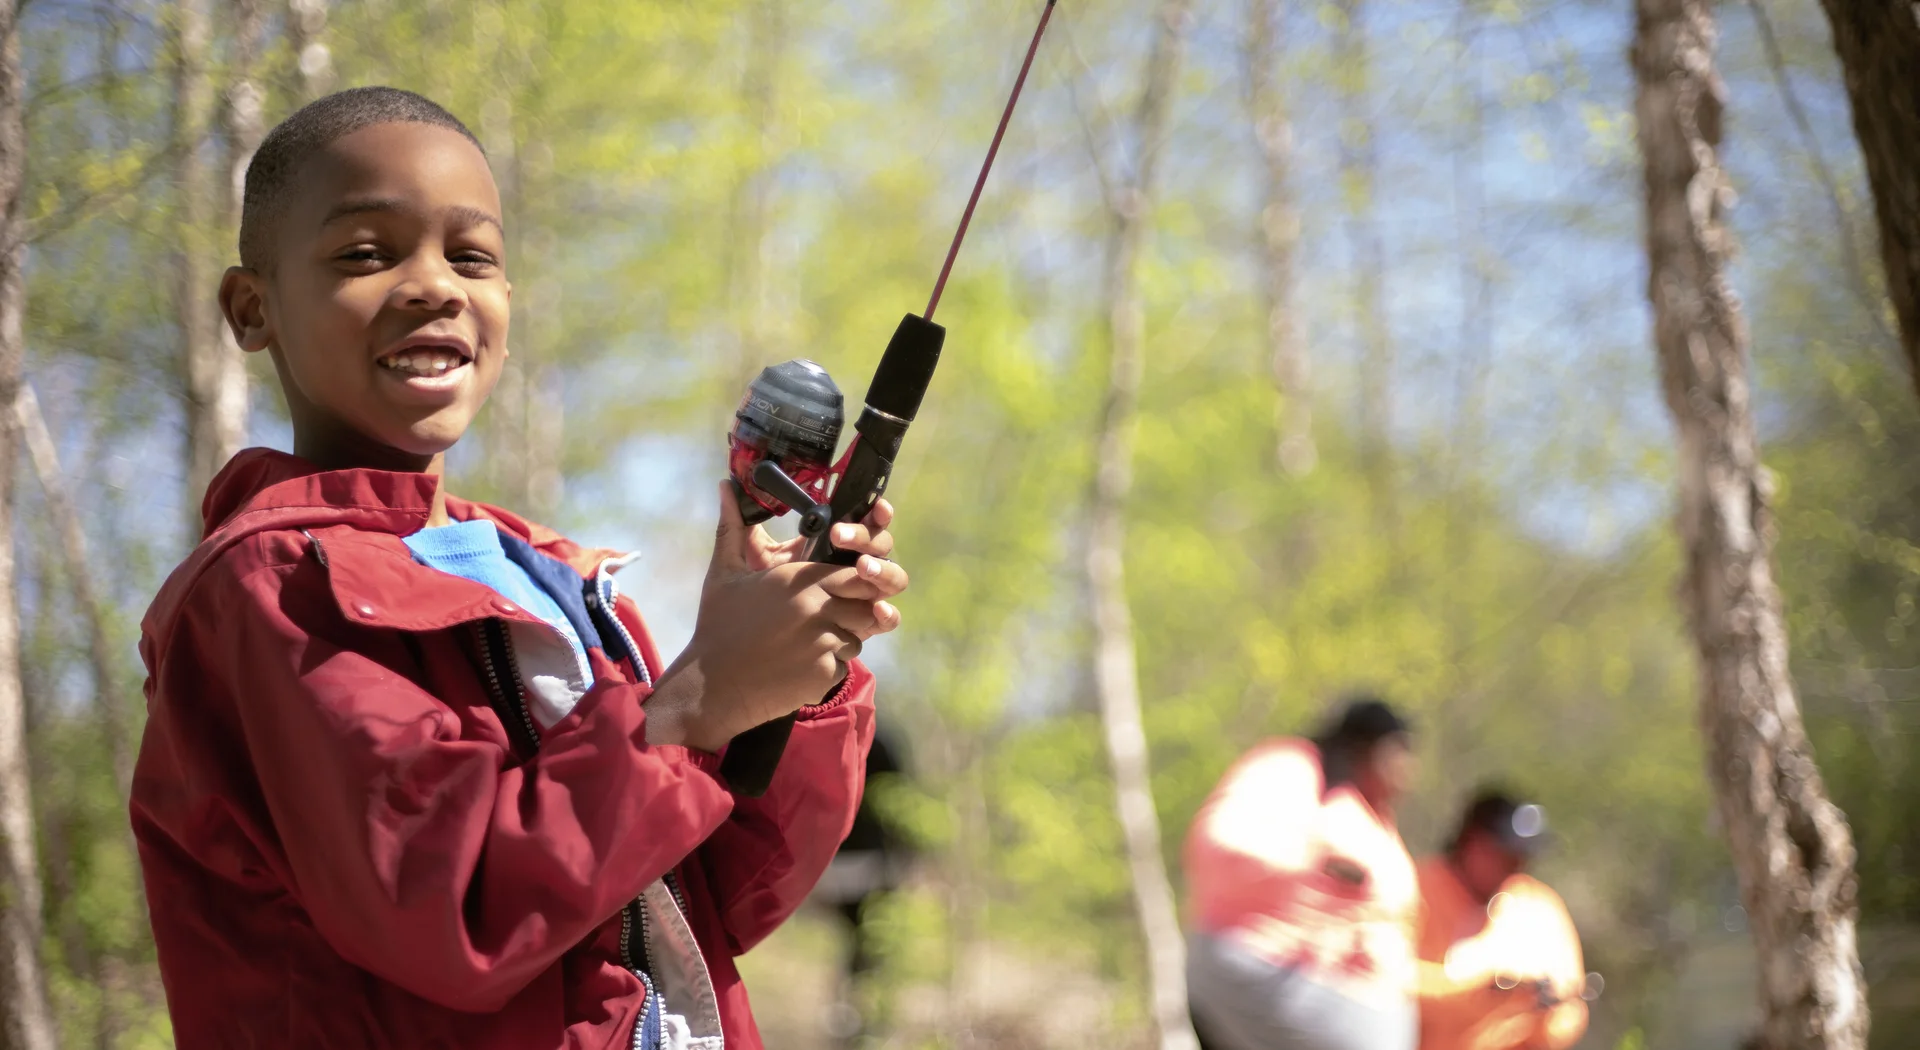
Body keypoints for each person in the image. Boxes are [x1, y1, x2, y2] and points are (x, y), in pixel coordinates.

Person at [131, 86, 910, 1050]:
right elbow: (452, 909)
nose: (434, 286)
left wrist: (786, 687)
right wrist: (697, 701)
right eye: (366, 254)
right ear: (254, 309)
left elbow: (718, 902)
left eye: (472, 257)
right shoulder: (270, 587)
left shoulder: (549, 579)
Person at [1182, 696, 1422, 1050]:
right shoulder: (1293, 768)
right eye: (1400, 752)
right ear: (1367, 748)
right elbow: (1219, 839)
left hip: (1330, 989)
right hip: (1262, 969)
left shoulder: (1367, 810)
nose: (1408, 770)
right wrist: (1317, 866)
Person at [1414, 790, 1590, 1050]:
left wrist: (1541, 1011)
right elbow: (1388, 984)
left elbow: (1571, 1015)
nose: (1514, 865)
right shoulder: (1416, 888)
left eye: (1521, 857)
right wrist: (1483, 988)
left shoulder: (1539, 907)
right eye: (1504, 853)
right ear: (1471, 841)